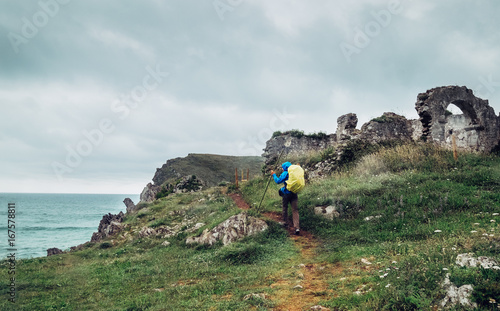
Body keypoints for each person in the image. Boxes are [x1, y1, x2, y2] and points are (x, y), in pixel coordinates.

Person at [271, 162, 300, 235]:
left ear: (285, 167)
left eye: (282, 167)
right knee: (295, 210)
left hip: (286, 194)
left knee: (285, 207)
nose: (282, 168)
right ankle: (297, 228)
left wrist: (273, 174)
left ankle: (285, 222)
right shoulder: (295, 172)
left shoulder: (285, 173)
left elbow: (277, 181)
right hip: (294, 193)